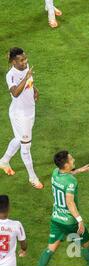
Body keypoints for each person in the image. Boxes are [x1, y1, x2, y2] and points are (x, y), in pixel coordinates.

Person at [38, 151, 89, 266]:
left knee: (50, 249)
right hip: (70, 222)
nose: (74, 160)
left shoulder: (55, 172)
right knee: (85, 244)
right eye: (71, 159)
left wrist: (79, 170)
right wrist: (79, 220)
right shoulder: (71, 181)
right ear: (66, 165)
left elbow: (66, 174)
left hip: (56, 219)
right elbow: (70, 202)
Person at [0, 48, 42, 189]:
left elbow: (29, 82)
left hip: (30, 111)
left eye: (25, 59)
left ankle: (4, 161)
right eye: (22, 60)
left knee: (19, 139)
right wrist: (26, 77)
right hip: (20, 115)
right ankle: (32, 177)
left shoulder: (26, 68)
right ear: (13, 61)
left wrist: (35, 89)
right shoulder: (10, 75)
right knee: (26, 145)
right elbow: (15, 93)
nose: (25, 62)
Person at [0, 195, 27, 266]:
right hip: (9, 265)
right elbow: (23, 243)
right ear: (8, 208)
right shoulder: (16, 225)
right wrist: (23, 250)